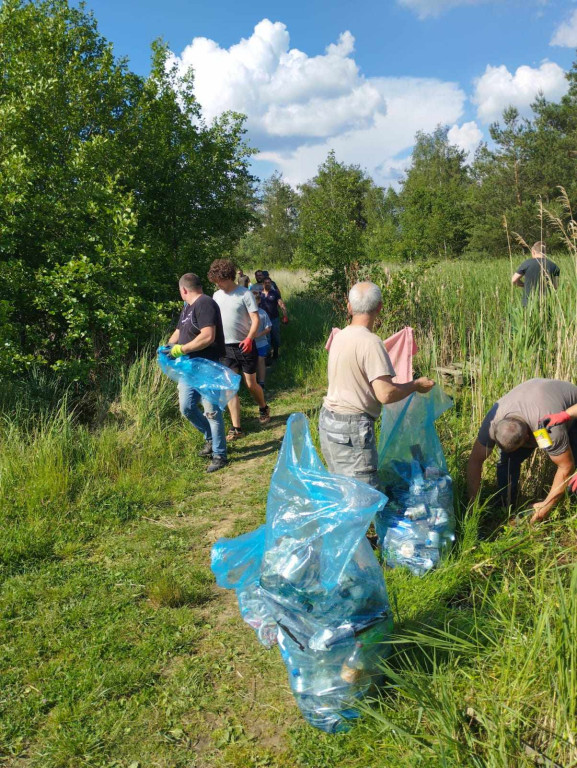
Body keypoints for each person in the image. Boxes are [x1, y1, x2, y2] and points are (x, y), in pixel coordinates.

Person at [319, 281, 435, 489]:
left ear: (349, 306)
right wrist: (416, 384)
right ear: (380, 307)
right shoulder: (371, 342)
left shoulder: (340, 335)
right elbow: (386, 394)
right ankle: (361, 523)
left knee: (342, 486)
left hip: (328, 421)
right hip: (351, 429)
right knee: (364, 495)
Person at [467, 378, 577, 522]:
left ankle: (568, 509)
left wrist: (546, 506)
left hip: (570, 414)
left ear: (527, 437)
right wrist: (472, 505)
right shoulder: (492, 422)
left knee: (573, 474)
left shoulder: (547, 426)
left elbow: (566, 466)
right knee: (507, 462)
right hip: (534, 404)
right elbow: (474, 462)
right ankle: (505, 507)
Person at [165, 273, 227, 473]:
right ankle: (210, 438)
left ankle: (219, 454)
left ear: (183, 290)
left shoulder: (205, 303)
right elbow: (179, 332)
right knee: (187, 408)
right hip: (188, 367)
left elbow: (208, 336)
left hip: (207, 366)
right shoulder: (187, 308)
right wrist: (167, 347)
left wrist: (181, 349)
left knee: (211, 411)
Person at [209, 258, 270, 440]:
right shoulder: (216, 296)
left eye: (218, 280)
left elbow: (256, 319)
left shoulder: (245, 294)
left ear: (226, 277)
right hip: (225, 347)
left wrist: (250, 338)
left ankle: (263, 407)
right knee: (230, 387)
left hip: (245, 345)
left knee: (251, 384)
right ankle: (237, 428)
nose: (216, 284)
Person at [512, 241, 559, 306]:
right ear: (545, 252)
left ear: (533, 251)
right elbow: (555, 286)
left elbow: (514, 280)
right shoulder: (554, 266)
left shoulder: (527, 263)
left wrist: (523, 285)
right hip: (547, 302)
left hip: (528, 302)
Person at [250, 284, 272, 391]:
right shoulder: (245, 313)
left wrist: (259, 334)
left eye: (256, 300)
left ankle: (261, 382)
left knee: (260, 360)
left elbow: (269, 328)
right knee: (251, 362)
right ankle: (252, 383)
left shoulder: (263, 313)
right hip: (249, 343)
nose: (254, 302)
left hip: (261, 343)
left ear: (259, 301)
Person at [260, 276, 288, 360]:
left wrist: (285, 315)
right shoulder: (259, 294)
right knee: (266, 338)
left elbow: (281, 304)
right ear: (263, 284)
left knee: (275, 336)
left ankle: (275, 354)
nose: (267, 284)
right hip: (263, 321)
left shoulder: (274, 293)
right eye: (266, 283)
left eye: (269, 283)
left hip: (274, 319)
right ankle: (267, 356)